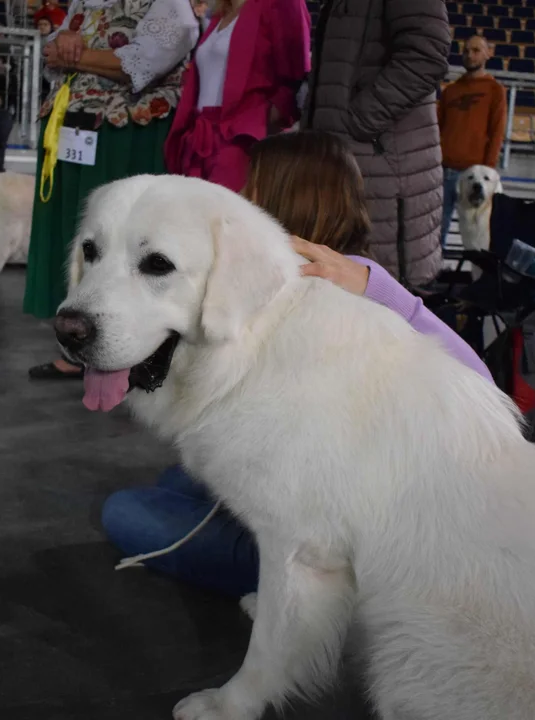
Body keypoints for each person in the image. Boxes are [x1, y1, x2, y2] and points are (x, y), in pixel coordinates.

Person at [100, 130, 494, 598]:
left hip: (330, 542)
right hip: (320, 500)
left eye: (251, 191)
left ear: (285, 199)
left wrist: (381, 291)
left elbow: (479, 381)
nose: (238, 201)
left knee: (124, 511)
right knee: (178, 483)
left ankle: (289, 599)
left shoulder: (349, 284)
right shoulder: (291, 276)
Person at [23, 0, 200, 380]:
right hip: (73, 130)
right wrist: (66, 43)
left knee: (121, 243)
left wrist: (76, 53)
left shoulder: (169, 6)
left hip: (124, 133)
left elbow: (138, 65)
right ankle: (77, 341)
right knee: (76, 235)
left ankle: (129, 346)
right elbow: (53, 53)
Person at [303, 0, 450, 289]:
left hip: (382, 169)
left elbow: (427, 54)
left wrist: (357, 121)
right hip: (338, 170)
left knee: (387, 301)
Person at [164, 0, 310, 193]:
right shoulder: (223, 11)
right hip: (199, 137)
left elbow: (295, 74)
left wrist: (262, 119)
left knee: (228, 217)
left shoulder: (281, 3)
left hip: (240, 139)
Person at [437, 35, 507, 248]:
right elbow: (438, 128)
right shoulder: (451, 91)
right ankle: (428, 279)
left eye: (476, 50)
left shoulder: (495, 90)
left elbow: (497, 132)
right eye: (466, 50)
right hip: (445, 170)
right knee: (436, 230)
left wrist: (487, 171)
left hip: (474, 175)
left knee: (480, 233)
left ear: (488, 53)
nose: (470, 55)